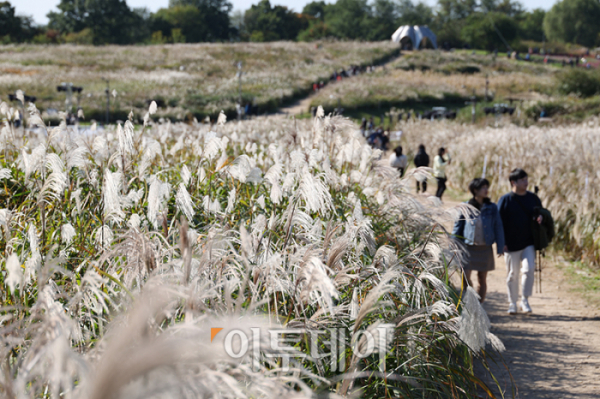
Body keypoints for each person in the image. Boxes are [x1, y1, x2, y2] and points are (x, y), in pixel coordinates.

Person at [497, 168, 543, 315]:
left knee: (529, 270)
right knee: (512, 274)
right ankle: (512, 303)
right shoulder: (505, 200)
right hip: (510, 244)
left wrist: (541, 218)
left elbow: (542, 213)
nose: (526, 182)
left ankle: (525, 300)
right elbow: (498, 223)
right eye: (522, 180)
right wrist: (501, 242)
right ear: (513, 182)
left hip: (528, 242)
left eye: (526, 179)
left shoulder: (533, 198)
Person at [452, 178, 505, 303]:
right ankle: (470, 299)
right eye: (483, 187)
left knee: (482, 278)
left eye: (487, 187)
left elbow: (498, 226)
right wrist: (453, 246)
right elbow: (457, 227)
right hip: (468, 247)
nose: (486, 190)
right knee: (465, 276)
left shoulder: (492, 207)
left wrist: (500, 246)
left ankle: (479, 306)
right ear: (475, 190)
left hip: (484, 248)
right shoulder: (466, 206)